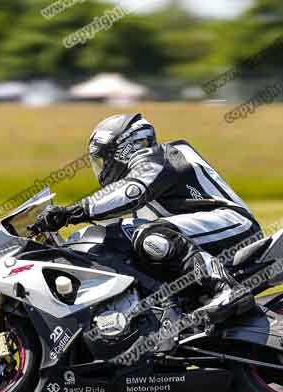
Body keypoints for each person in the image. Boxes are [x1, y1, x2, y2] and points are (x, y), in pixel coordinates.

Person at [31, 113, 262, 322]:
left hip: (233, 224)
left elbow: (131, 192)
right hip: (196, 236)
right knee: (122, 240)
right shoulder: (147, 174)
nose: (102, 168)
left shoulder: (162, 157)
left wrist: (72, 211)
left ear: (123, 149)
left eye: (104, 158)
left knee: (149, 234)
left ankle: (227, 289)